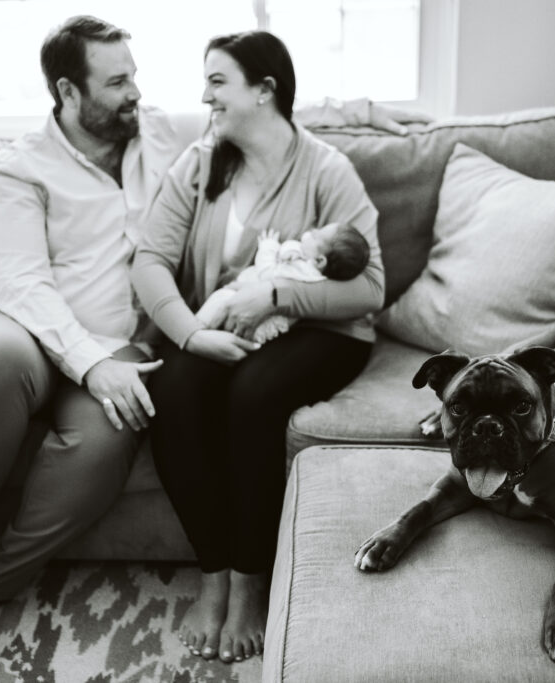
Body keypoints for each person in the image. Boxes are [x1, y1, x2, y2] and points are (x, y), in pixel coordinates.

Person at [0, 15, 416, 655]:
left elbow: (278, 114)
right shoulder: (20, 170)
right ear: (69, 93)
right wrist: (139, 351)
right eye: (118, 80)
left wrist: (367, 108)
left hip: (147, 344)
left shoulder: (168, 135)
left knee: (137, 434)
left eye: (135, 77)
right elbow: (47, 282)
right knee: (13, 369)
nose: (138, 93)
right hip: (26, 329)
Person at [131, 31, 384, 664]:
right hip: (216, 324)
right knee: (176, 392)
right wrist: (189, 333)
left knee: (253, 398)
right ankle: (212, 571)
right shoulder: (201, 162)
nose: (204, 94)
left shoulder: (327, 170)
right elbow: (150, 261)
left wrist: (274, 298)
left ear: (265, 90)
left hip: (319, 333)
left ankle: (249, 582)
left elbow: (371, 287)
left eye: (217, 80)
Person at [195, 222, 370, 343]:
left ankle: (197, 330)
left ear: (320, 261)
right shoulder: (313, 271)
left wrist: (268, 246)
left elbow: (267, 274)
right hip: (264, 323)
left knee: (220, 300)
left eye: (316, 235)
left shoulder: (302, 270)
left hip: (256, 320)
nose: (310, 232)